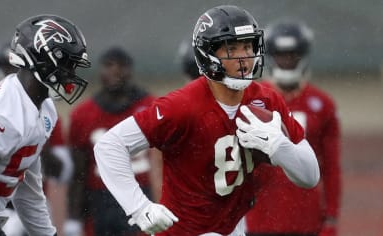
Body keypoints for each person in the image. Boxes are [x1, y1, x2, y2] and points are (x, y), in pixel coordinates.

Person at [94, 5, 320, 236]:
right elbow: (109, 145)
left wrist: (279, 146)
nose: (244, 58)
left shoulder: (267, 100)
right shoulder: (182, 106)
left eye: (247, 46)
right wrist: (139, 208)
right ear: (208, 54)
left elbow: (310, 176)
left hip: (232, 227)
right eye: (231, 48)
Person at [0, 14, 90, 236]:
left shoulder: (44, 111)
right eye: (67, 64)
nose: (72, 75)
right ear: (42, 61)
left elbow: (29, 190)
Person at [245, 21, 341, 236]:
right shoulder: (253, 98)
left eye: (292, 55)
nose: (286, 61)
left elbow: (332, 167)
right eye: (281, 55)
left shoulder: (322, 104)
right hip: (259, 217)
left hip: (306, 219)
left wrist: (332, 217)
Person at [67, 46, 162, 236]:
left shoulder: (151, 106)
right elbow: (78, 171)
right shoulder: (83, 115)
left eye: (121, 66)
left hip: (142, 193)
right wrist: (74, 215)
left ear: (130, 70)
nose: (115, 71)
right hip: (100, 197)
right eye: (109, 65)